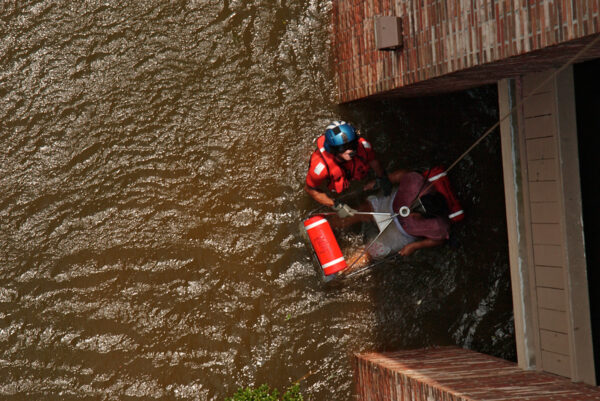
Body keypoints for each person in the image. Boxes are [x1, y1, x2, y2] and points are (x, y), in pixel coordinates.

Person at [344, 169, 451, 262]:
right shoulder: (415, 183)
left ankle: (337, 271)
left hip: (401, 233)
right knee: (356, 213)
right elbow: (401, 175)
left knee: (369, 253)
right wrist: (380, 182)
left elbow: (438, 239)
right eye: (415, 204)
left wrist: (414, 246)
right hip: (391, 204)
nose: (410, 210)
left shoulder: (438, 226)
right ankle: (330, 223)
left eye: (416, 212)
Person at [304, 121, 392, 217]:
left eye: (352, 145)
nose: (350, 151)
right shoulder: (320, 169)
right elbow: (309, 189)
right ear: (333, 149)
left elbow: (373, 161)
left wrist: (382, 177)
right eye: (343, 148)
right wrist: (335, 205)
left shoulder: (364, 147)